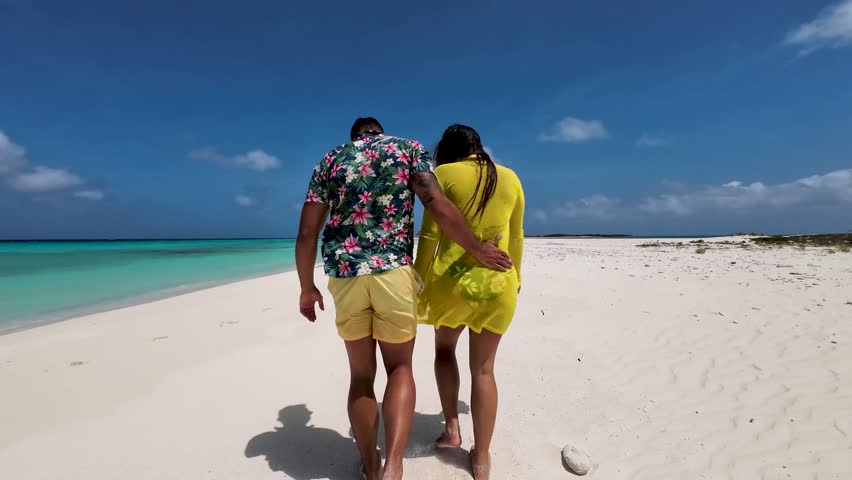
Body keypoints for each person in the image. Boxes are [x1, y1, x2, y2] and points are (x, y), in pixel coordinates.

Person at [295, 117, 512, 480]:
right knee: (400, 369)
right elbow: (438, 206)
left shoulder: (329, 161)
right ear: (380, 132)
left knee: (361, 377)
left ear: (355, 137)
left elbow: (306, 232)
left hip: (347, 276)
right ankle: (394, 466)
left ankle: (369, 465)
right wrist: (476, 250)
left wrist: (306, 286)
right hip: (393, 272)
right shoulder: (407, 150)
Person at [413, 124, 525, 480]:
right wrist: (517, 278)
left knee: (444, 352)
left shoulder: (443, 173)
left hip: (451, 285)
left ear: (448, 150)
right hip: (498, 284)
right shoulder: (510, 178)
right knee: (485, 370)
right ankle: (481, 459)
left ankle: (452, 429)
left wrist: (415, 279)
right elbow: (517, 235)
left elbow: (431, 234)